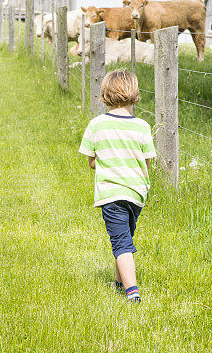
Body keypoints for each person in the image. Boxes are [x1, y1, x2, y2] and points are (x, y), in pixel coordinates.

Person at [79, 69, 155, 303]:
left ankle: (132, 292)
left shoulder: (96, 125)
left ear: (104, 94)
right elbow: (147, 162)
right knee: (125, 237)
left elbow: (92, 162)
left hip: (111, 194)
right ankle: (120, 282)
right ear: (134, 94)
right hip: (136, 194)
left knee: (121, 242)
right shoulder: (142, 126)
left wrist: (105, 164)